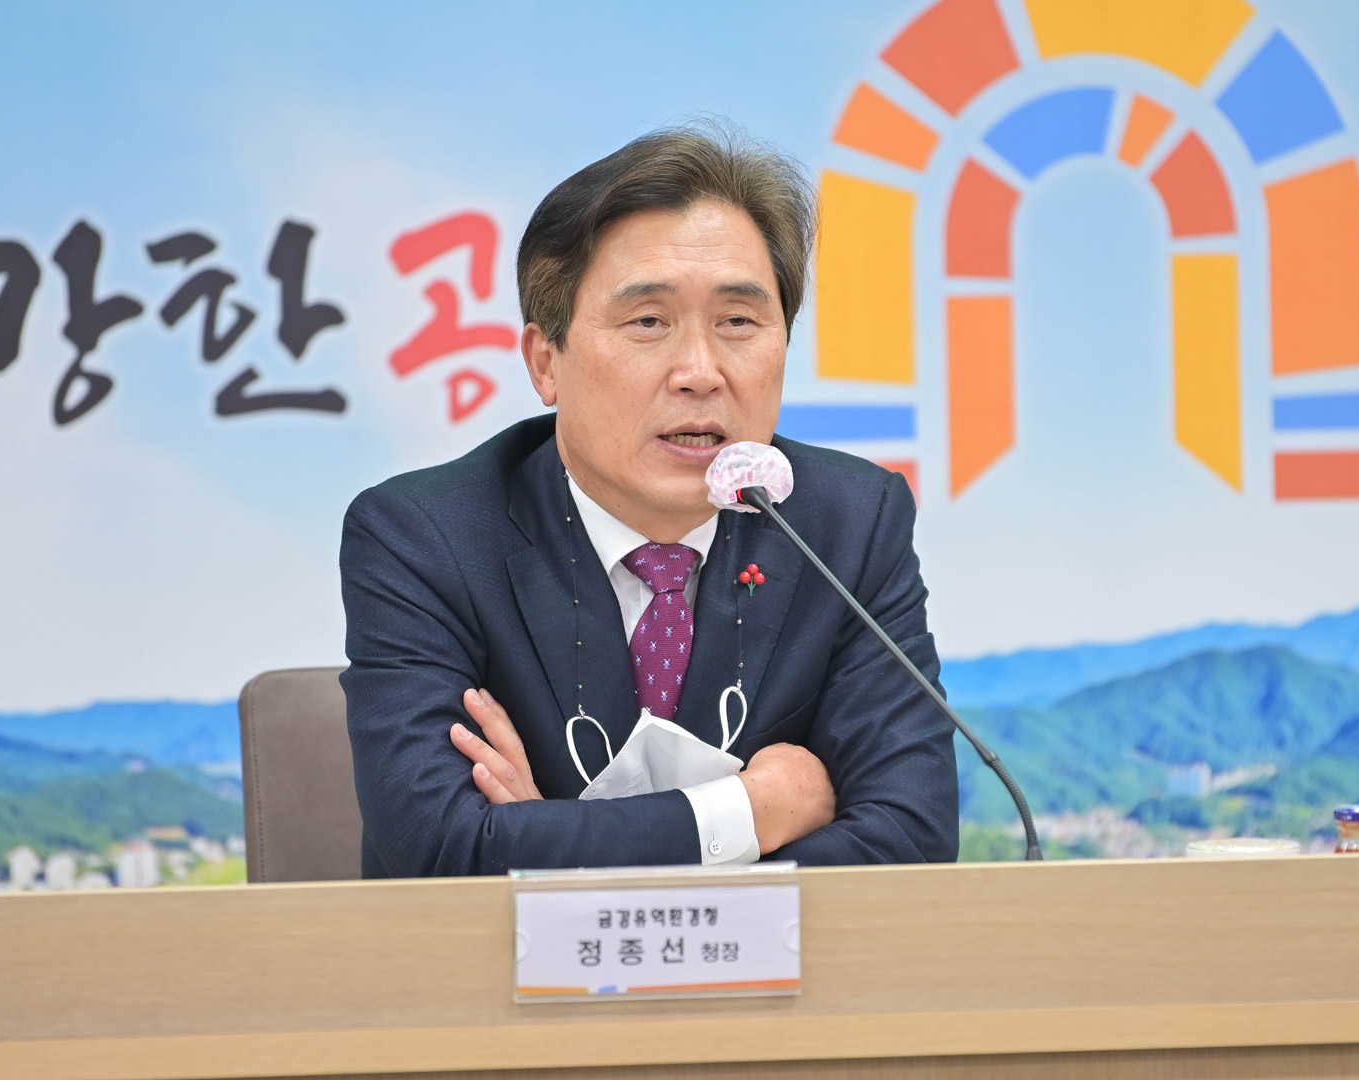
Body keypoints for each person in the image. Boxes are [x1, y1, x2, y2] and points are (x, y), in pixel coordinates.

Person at [339, 126, 957, 877]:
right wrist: (751, 813)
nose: (700, 371)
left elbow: (910, 840)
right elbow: (443, 853)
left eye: (737, 322)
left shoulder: (848, 523)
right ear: (545, 362)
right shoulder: (427, 536)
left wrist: (547, 839)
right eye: (648, 322)